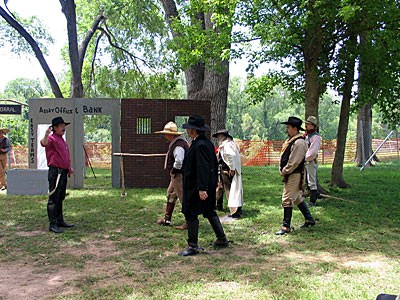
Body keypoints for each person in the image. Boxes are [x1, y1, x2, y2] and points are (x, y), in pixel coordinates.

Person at [178, 115, 229, 256]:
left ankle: (192, 246)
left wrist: (202, 188)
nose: (188, 131)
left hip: (196, 187)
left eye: (189, 129)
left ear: (194, 130)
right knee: (208, 210)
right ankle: (221, 238)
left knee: (191, 213)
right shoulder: (203, 143)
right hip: (202, 185)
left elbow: (203, 167)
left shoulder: (200, 145)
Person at [275, 116, 316, 235]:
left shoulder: (299, 142)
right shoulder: (292, 141)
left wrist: (285, 171)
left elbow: (294, 162)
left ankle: (285, 226)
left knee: (287, 198)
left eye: (288, 127)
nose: (286, 129)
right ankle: (309, 219)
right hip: (291, 173)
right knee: (297, 198)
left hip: (294, 174)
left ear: (295, 128)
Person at [40, 117, 74, 233]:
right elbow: (43, 143)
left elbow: (65, 156)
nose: (64, 128)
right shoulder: (51, 139)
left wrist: (69, 168)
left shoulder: (61, 140)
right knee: (53, 198)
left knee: (61, 197)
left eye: (64, 126)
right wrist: (46, 134)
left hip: (63, 172)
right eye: (61, 126)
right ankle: (52, 224)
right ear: (55, 128)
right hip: (56, 172)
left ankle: (59, 220)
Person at [155, 121, 189, 229]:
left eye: (166, 133)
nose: (165, 136)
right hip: (177, 175)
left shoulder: (179, 145)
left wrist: (174, 171)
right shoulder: (177, 142)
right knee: (170, 194)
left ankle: (189, 221)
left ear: (171, 134)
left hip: (180, 175)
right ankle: (167, 219)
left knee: (183, 197)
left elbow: (179, 161)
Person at [213, 129, 243, 218]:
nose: (217, 138)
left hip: (227, 171)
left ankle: (235, 211)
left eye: (218, 136)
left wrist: (232, 168)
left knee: (230, 191)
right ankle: (237, 210)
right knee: (233, 190)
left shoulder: (227, 145)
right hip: (229, 169)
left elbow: (231, 156)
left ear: (222, 136)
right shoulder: (231, 144)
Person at [304, 116, 321, 206]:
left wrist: (305, 158)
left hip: (310, 161)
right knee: (305, 179)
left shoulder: (315, 137)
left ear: (313, 126)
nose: (306, 125)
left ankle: (313, 201)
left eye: (308, 124)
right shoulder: (307, 135)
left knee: (311, 180)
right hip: (305, 160)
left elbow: (313, 152)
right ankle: (315, 194)